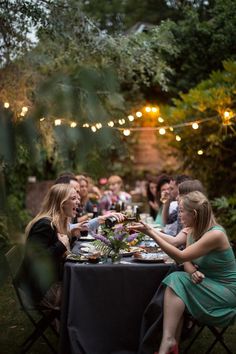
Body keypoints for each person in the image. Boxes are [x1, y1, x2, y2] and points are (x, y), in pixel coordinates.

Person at [134, 191, 236, 354]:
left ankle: (168, 341)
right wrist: (147, 228)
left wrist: (151, 233)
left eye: (181, 210)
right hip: (206, 284)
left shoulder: (215, 234)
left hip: (227, 292)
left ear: (194, 214)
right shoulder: (192, 230)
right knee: (178, 283)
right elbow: (179, 249)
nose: (178, 214)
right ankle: (170, 341)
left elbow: (180, 255)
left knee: (176, 280)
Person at [15, 184, 79, 309]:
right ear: (61, 203)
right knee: (81, 293)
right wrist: (61, 244)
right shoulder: (45, 224)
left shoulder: (57, 223)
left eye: (77, 198)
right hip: (36, 291)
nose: (78, 202)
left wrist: (72, 238)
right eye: (73, 198)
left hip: (46, 284)